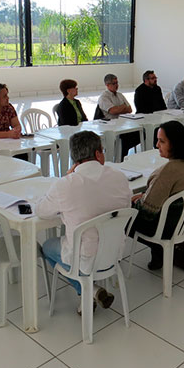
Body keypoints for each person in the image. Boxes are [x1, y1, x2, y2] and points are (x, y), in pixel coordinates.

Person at [36, 131, 132, 312]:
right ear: (97, 153)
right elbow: (126, 207)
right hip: (114, 252)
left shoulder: (66, 185)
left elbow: (42, 211)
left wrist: (66, 178)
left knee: (47, 246)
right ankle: (93, 290)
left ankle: (86, 291)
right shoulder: (119, 177)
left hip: (84, 258)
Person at [131, 121, 184, 270]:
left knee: (122, 216)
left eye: (162, 141)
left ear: (175, 143)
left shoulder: (169, 171)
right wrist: (145, 195)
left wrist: (136, 202)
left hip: (165, 229)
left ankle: (157, 249)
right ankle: (158, 254)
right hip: (182, 224)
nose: (157, 145)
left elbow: (147, 212)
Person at [96, 74, 140, 160]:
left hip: (123, 124)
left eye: (117, 83)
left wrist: (119, 109)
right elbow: (112, 111)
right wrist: (123, 107)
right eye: (114, 83)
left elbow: (130, 109)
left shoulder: (120, 95)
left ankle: (122, 154)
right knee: (124, 140)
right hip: (111, 127)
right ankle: (119, 157)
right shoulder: (104, 97)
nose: (116, 85)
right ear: (107, 85)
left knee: (140, 133)